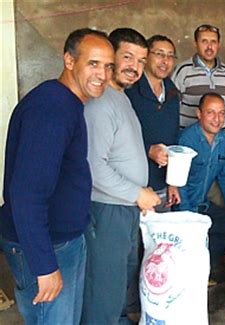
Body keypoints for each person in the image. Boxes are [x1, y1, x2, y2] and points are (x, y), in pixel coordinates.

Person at [0, 28, 114, 324]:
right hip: (46, 246)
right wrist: (44, 265)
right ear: (69, 60)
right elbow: (25, 195)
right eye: (93, 63)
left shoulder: (66, 103)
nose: (102, 74)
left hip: (62, 239)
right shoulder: (51, 110)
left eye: (108, 66)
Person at [81, 28, 161, 324]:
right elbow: (94, 166)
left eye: (141, 60)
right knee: (105, 284)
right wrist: (137, 193)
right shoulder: (100, 104)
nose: (135, 67)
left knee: (118, 280)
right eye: (127, 57)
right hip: (107, 208)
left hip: (124, 206)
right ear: (110, 56)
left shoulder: (120, 97)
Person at [175, 93, 225, 281]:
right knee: (189, 239)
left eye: (222, 113)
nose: (217, 119)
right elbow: (179, 183)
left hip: (202, 205)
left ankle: (203, 264)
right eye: (211, 112)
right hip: (181, 208)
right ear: (198, 114)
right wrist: (188, 217)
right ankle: (190, 273)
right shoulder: (187, 140)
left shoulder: (224, 140)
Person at [172, 24, 225, 171]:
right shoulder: (182, 72)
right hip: (189, 146)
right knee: (191, 187)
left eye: (213, 42)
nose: (209, 47)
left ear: (219, 44)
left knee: (219, 188)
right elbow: (171, 111)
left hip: (220, 146)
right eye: (204, 41)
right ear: (195, 44)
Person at [126, 34, 181, 208]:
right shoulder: (130, 90)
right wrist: (148, 149)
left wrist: (172, 182)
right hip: (133, 186)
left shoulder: (172, 92)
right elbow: (117, 138)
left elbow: (173, 138)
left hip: (161, 185)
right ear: (146, 57)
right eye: (159, 54)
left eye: (170, 55)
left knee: (159, 234)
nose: (165, 60)